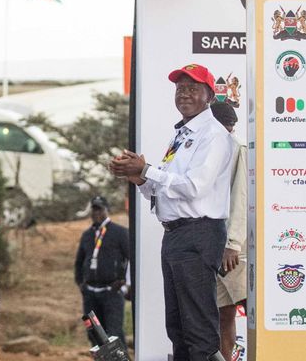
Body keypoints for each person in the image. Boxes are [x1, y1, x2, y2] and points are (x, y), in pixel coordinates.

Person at [109, 63, 234, 361]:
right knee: (177, 327)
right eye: (180, 89)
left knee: (199, 330)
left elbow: (194, 187)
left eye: (193, 88)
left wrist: (148, 170)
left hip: (199, 233)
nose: (184, 94)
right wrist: (139, 178)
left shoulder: (214, 135)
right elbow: (164, 189)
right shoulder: (180, 135)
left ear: (209, 95)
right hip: (176, 235)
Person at [209, 102, 247, 358]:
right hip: (213, 243)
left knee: (250, 307)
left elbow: (241, 195)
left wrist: (233, 243)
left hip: (234, 249)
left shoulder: (237, 148)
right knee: (224, 315)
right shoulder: (210, 149)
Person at [74, 195, 129, 347]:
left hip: (111, 292)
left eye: (99, 209)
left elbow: (131, 258)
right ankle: (100, 357)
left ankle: (120, 357)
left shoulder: (120, 233)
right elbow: (79, 262)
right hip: (90, 293)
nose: (96, 213)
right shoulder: (87, 235)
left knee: (114, 335)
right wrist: (81, 284)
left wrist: (125, 283)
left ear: (107, 210)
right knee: (94, 335)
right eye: (93, 210)